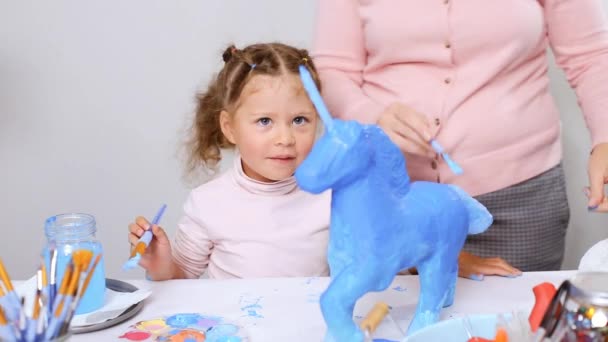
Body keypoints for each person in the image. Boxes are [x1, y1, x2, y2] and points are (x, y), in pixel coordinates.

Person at [311, 1, 608, 279]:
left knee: (516, 327)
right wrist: (371, 117)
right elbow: (332, 70)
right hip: (389, 200)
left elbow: (590, 57)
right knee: (390, 326)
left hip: (519, 200)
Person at [128, 43, 330, 280]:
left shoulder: (332, 195)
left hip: (308, 317)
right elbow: (181, 280)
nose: (285, 139)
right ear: (230, 128)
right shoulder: (208, 203)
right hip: (234, 318)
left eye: (299, 120)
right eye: (265, 121)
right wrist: (161, 266)